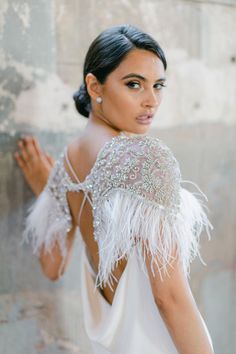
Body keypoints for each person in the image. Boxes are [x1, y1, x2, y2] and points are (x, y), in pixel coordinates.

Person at [14, 24, 214, 354]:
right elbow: (171, 298)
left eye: (158, 85)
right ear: (95, 85)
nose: (152, 100)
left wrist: (46, 191)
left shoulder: (69, 160)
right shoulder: (142, 158)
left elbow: (53, 267)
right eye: (134, 84)